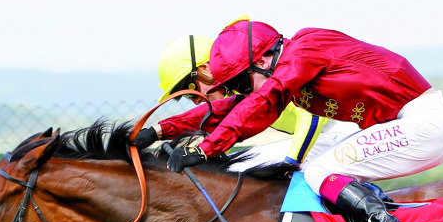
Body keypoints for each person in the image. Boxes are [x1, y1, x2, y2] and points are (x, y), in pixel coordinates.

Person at [165, 18, 443, 222]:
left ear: (264, 60)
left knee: (320, 171)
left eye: (243, 82)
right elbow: (234, 107)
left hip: (423, 124)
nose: (243, 91)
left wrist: (206, 150)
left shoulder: (305, 50)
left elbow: (262, 103)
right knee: (310, 164)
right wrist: (161, 130)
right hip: (405, 122)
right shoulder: (291, 61)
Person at [138, 33, 358, 172]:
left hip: (341, 132)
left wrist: (292, 162)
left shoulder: (257, 77)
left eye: (191, 91)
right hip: (330, 137)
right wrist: (156, 131)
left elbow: (309, 115)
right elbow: (215, 112)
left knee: (244, 165)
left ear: (204, 70)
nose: (195, 101)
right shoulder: (242, 87)